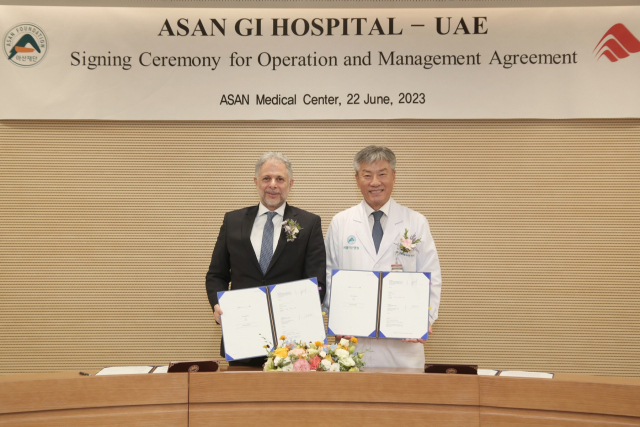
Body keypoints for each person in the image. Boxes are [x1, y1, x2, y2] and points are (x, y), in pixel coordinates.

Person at [323, 145, 441, 368]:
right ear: (357, 179)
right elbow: (329, 275)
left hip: (404, 345)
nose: (375, 182)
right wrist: (338, 317)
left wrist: (424, 319)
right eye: (367, 175)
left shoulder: (416, 222)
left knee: (406, 402)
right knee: (353, 401)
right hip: (353, 342)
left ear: (394, 177)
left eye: (382, 174)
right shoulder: (341, 222)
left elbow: (432, 276)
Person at [206, 152, 326, 367]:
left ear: (290, 183)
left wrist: (304, 313)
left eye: (279, 179)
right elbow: (216, 274)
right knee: (242, 398)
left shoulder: (309, 223)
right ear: (256, 182)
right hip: (243, 336)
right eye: (266, 178)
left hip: (291, 343)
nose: (273, 185)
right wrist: (217, 304)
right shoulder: (233, 221)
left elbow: (317, 283)